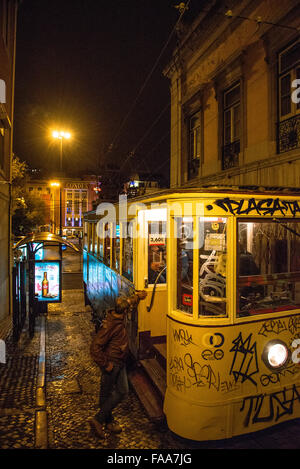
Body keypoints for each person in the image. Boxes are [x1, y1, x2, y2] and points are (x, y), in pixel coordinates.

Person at [89, 290, 147, 438]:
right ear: (125, 312)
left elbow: (127, 302)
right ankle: (99, 420)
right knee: (106, 394)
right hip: (112, 363)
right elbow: (95, 348)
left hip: (120, 362)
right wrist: (106, 363)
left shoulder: (118, 315)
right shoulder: (111, 325)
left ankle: (107, 421)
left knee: (122, 391)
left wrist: (137, 297)